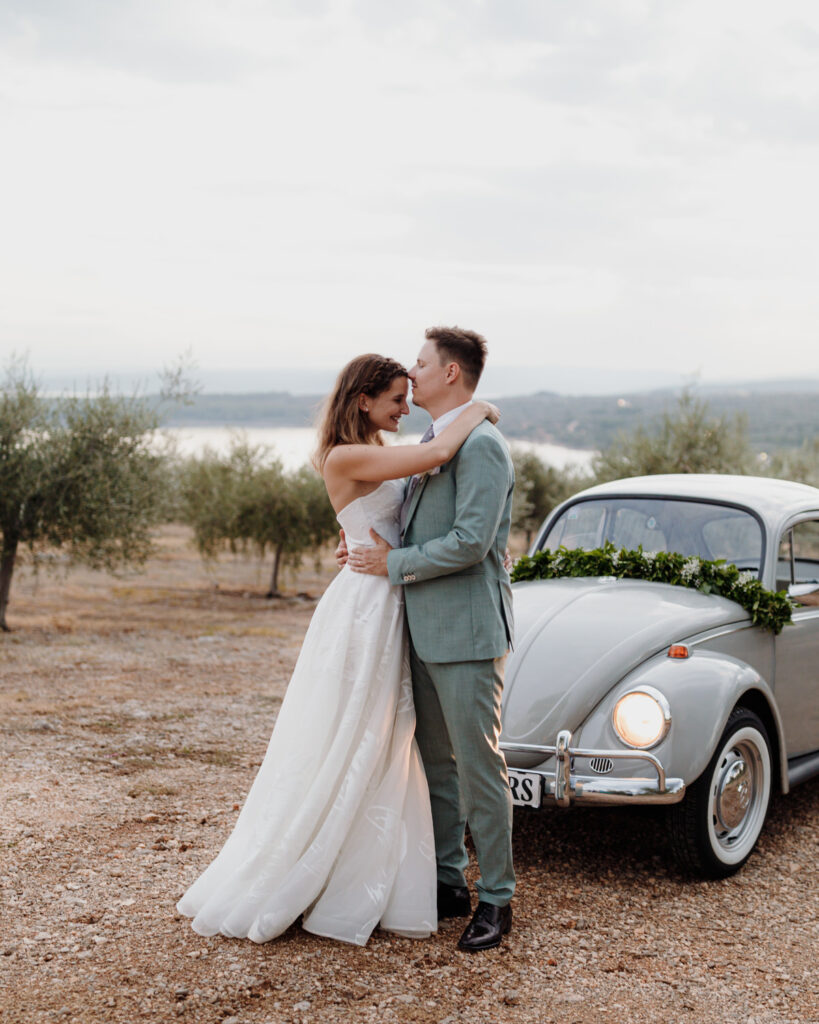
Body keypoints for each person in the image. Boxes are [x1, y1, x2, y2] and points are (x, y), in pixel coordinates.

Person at [176, 353, 498, 947]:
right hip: (367, 608)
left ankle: (391, 869)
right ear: (362, 402)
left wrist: (356, 539)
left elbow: (401, 503)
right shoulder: (347, 455)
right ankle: (319, 871)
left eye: (409, 397)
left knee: (389, 740)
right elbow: (433, 456)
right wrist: (478, 408)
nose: (405, 408)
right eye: (396, 400)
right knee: (355, 732)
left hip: (394, 595)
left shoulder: (367, 450)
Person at [347, 326, 516, 953]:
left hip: (467, 631)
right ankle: (449, 881)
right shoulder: (437, 439)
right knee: (435, 765)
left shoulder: (483, 448)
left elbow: (472, 542)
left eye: (419, 365)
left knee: (479, 767)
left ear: (451, 373)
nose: (410, 376)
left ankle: (497, 896)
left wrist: (391, 564)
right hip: (419, 627)